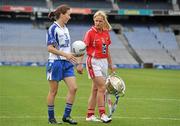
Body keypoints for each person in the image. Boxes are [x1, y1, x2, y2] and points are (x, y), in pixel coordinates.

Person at [76, 10, 115, 123]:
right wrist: (79, 64)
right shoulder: (90, 33)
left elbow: (107, 50)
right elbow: (83, 48)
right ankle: (102, 114)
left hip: (104, 62)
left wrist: (111, 65)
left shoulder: (106, 33)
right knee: (102, 88)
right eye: (96, 20)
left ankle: (90, 115)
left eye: (100, 21)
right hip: (93, 62)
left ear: (104, 22)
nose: (97, 23)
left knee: (95, 89)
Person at [46, 4, 78, 125]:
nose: (70, 17)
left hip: (67, 63)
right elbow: (50, 48)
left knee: (73, 88)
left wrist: (74, 56)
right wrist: (66, 55)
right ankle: (51, 118)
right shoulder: (53, 28)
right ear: (62, 14)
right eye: (69, 14)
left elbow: (65, 48)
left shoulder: (65, 28)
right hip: (55, 63)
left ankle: (66, 116)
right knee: (53, 91)